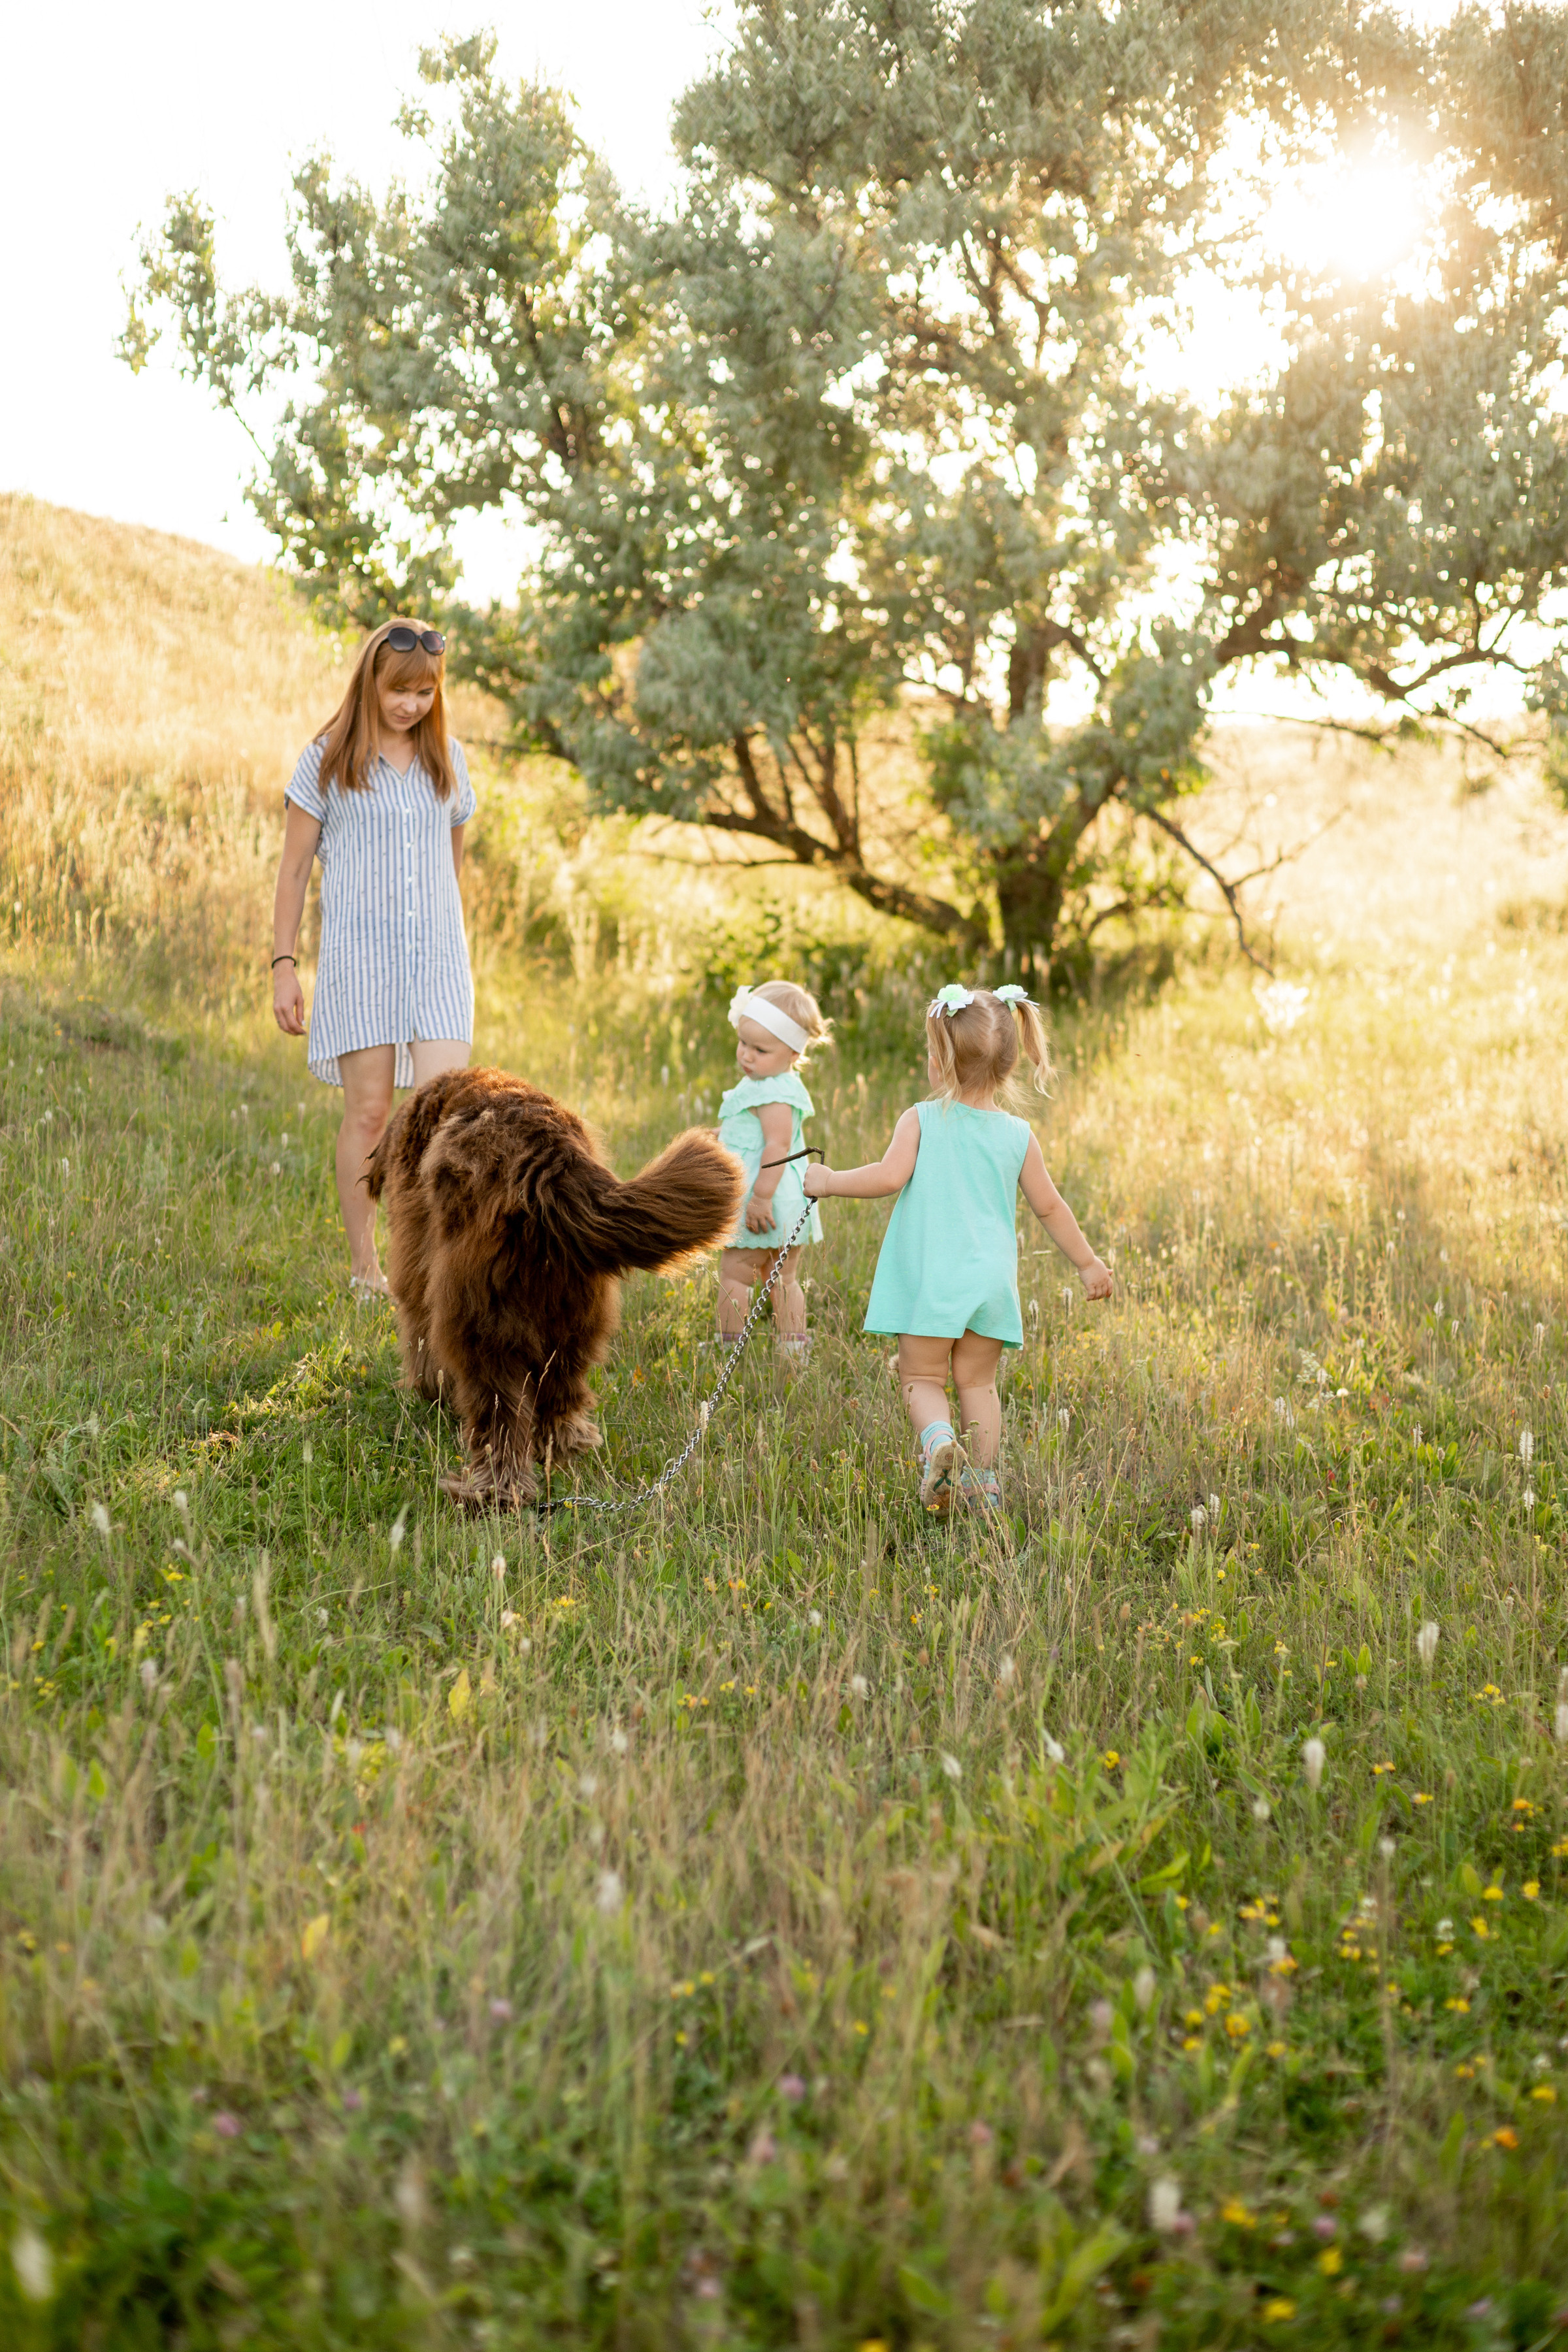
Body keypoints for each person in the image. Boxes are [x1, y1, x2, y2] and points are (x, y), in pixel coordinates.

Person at [804, 983, 1112, 1514]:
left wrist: (828, 1181)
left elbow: (887, 1176)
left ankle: (938, 1444)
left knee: (921, 1377)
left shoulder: (921, 1119)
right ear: (1009, 1066)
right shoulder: (1019, 1135)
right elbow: (1051, 1208)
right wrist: (1088, 1263)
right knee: (979, 1382)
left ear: (939, 1064)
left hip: (930, 1282)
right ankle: (984, 1485)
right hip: (988, 1286)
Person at [271, 620, 477, 1303]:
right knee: (369, 1114)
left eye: (424, 693)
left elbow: (452, 864)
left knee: (446, 1116)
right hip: (360, 963)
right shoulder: (327, 758)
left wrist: (451, 940)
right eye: (399, 690)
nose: (411, 705)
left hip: (437, 962)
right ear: (371, 681)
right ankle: (366, 1272)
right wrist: (283, 962)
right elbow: (295, 867)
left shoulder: (447, 758)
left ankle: (433, 1268)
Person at [715, 981, 830, 1370]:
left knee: (735, 1273)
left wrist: (760, 1198)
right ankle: (793, 1347)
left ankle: (727, 1348)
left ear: (793, 1053)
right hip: (785, 1199)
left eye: (760, 1049)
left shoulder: (775, 1094)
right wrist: (718, 1137)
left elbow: (776, 1147)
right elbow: (750, 1136)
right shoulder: (770, 1083)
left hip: (766, 1199)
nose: (747, 1055)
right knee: (782, 1278)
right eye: (743, 1043)